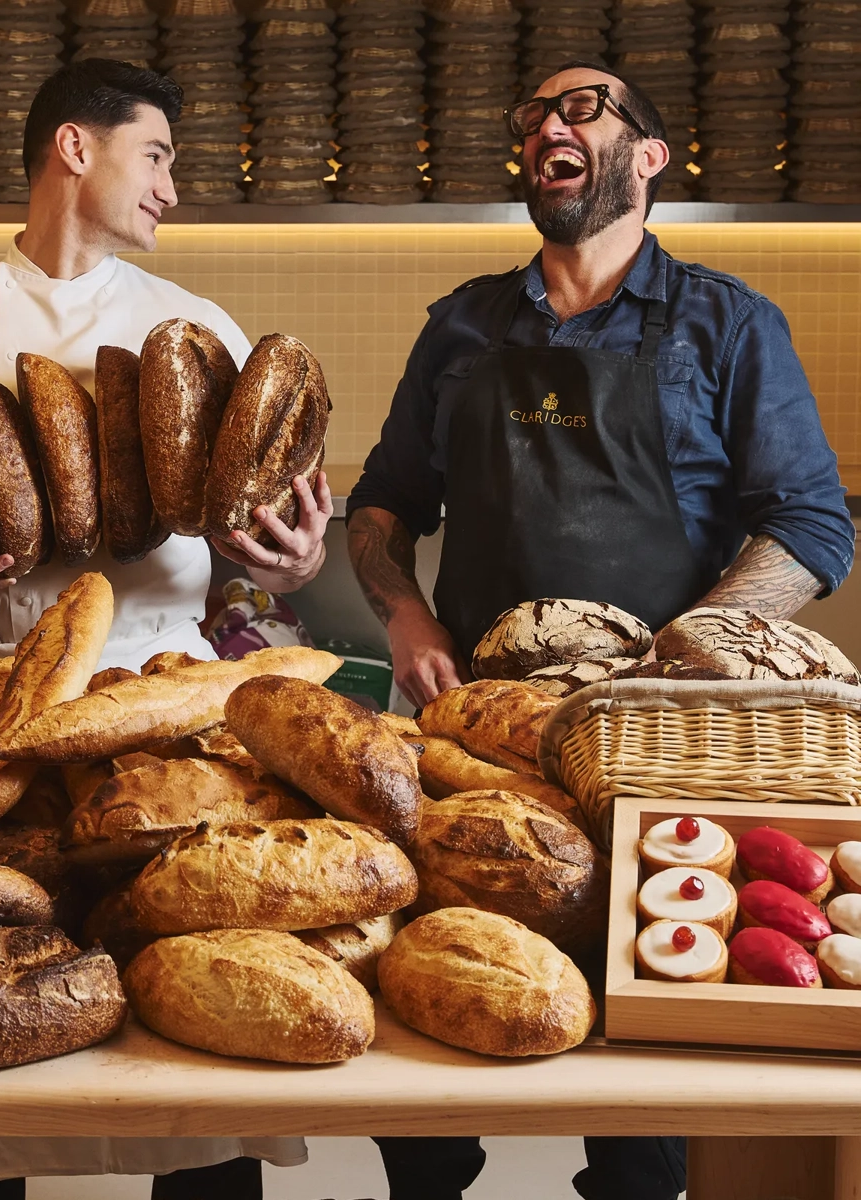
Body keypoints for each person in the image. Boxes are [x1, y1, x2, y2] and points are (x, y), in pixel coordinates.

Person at [0, 59, 331, 1200]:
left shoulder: (194, 331)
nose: (174, 190)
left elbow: (282, 529)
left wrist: (290, 554)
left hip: (168, 715)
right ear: (75, 151)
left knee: (195, 1008)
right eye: (159, 157)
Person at [347, 61, 854, 1200]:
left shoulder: (729, 324)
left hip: (658, 738)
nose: (546, 126)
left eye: (582, 107)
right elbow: (382, 506)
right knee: (440, 1020)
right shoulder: (460, 326)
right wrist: (407, 609)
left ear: (650, 156)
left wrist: (709, 639)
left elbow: (813, 520)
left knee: (646, 1074)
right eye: (530, 112)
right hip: (472, 733)